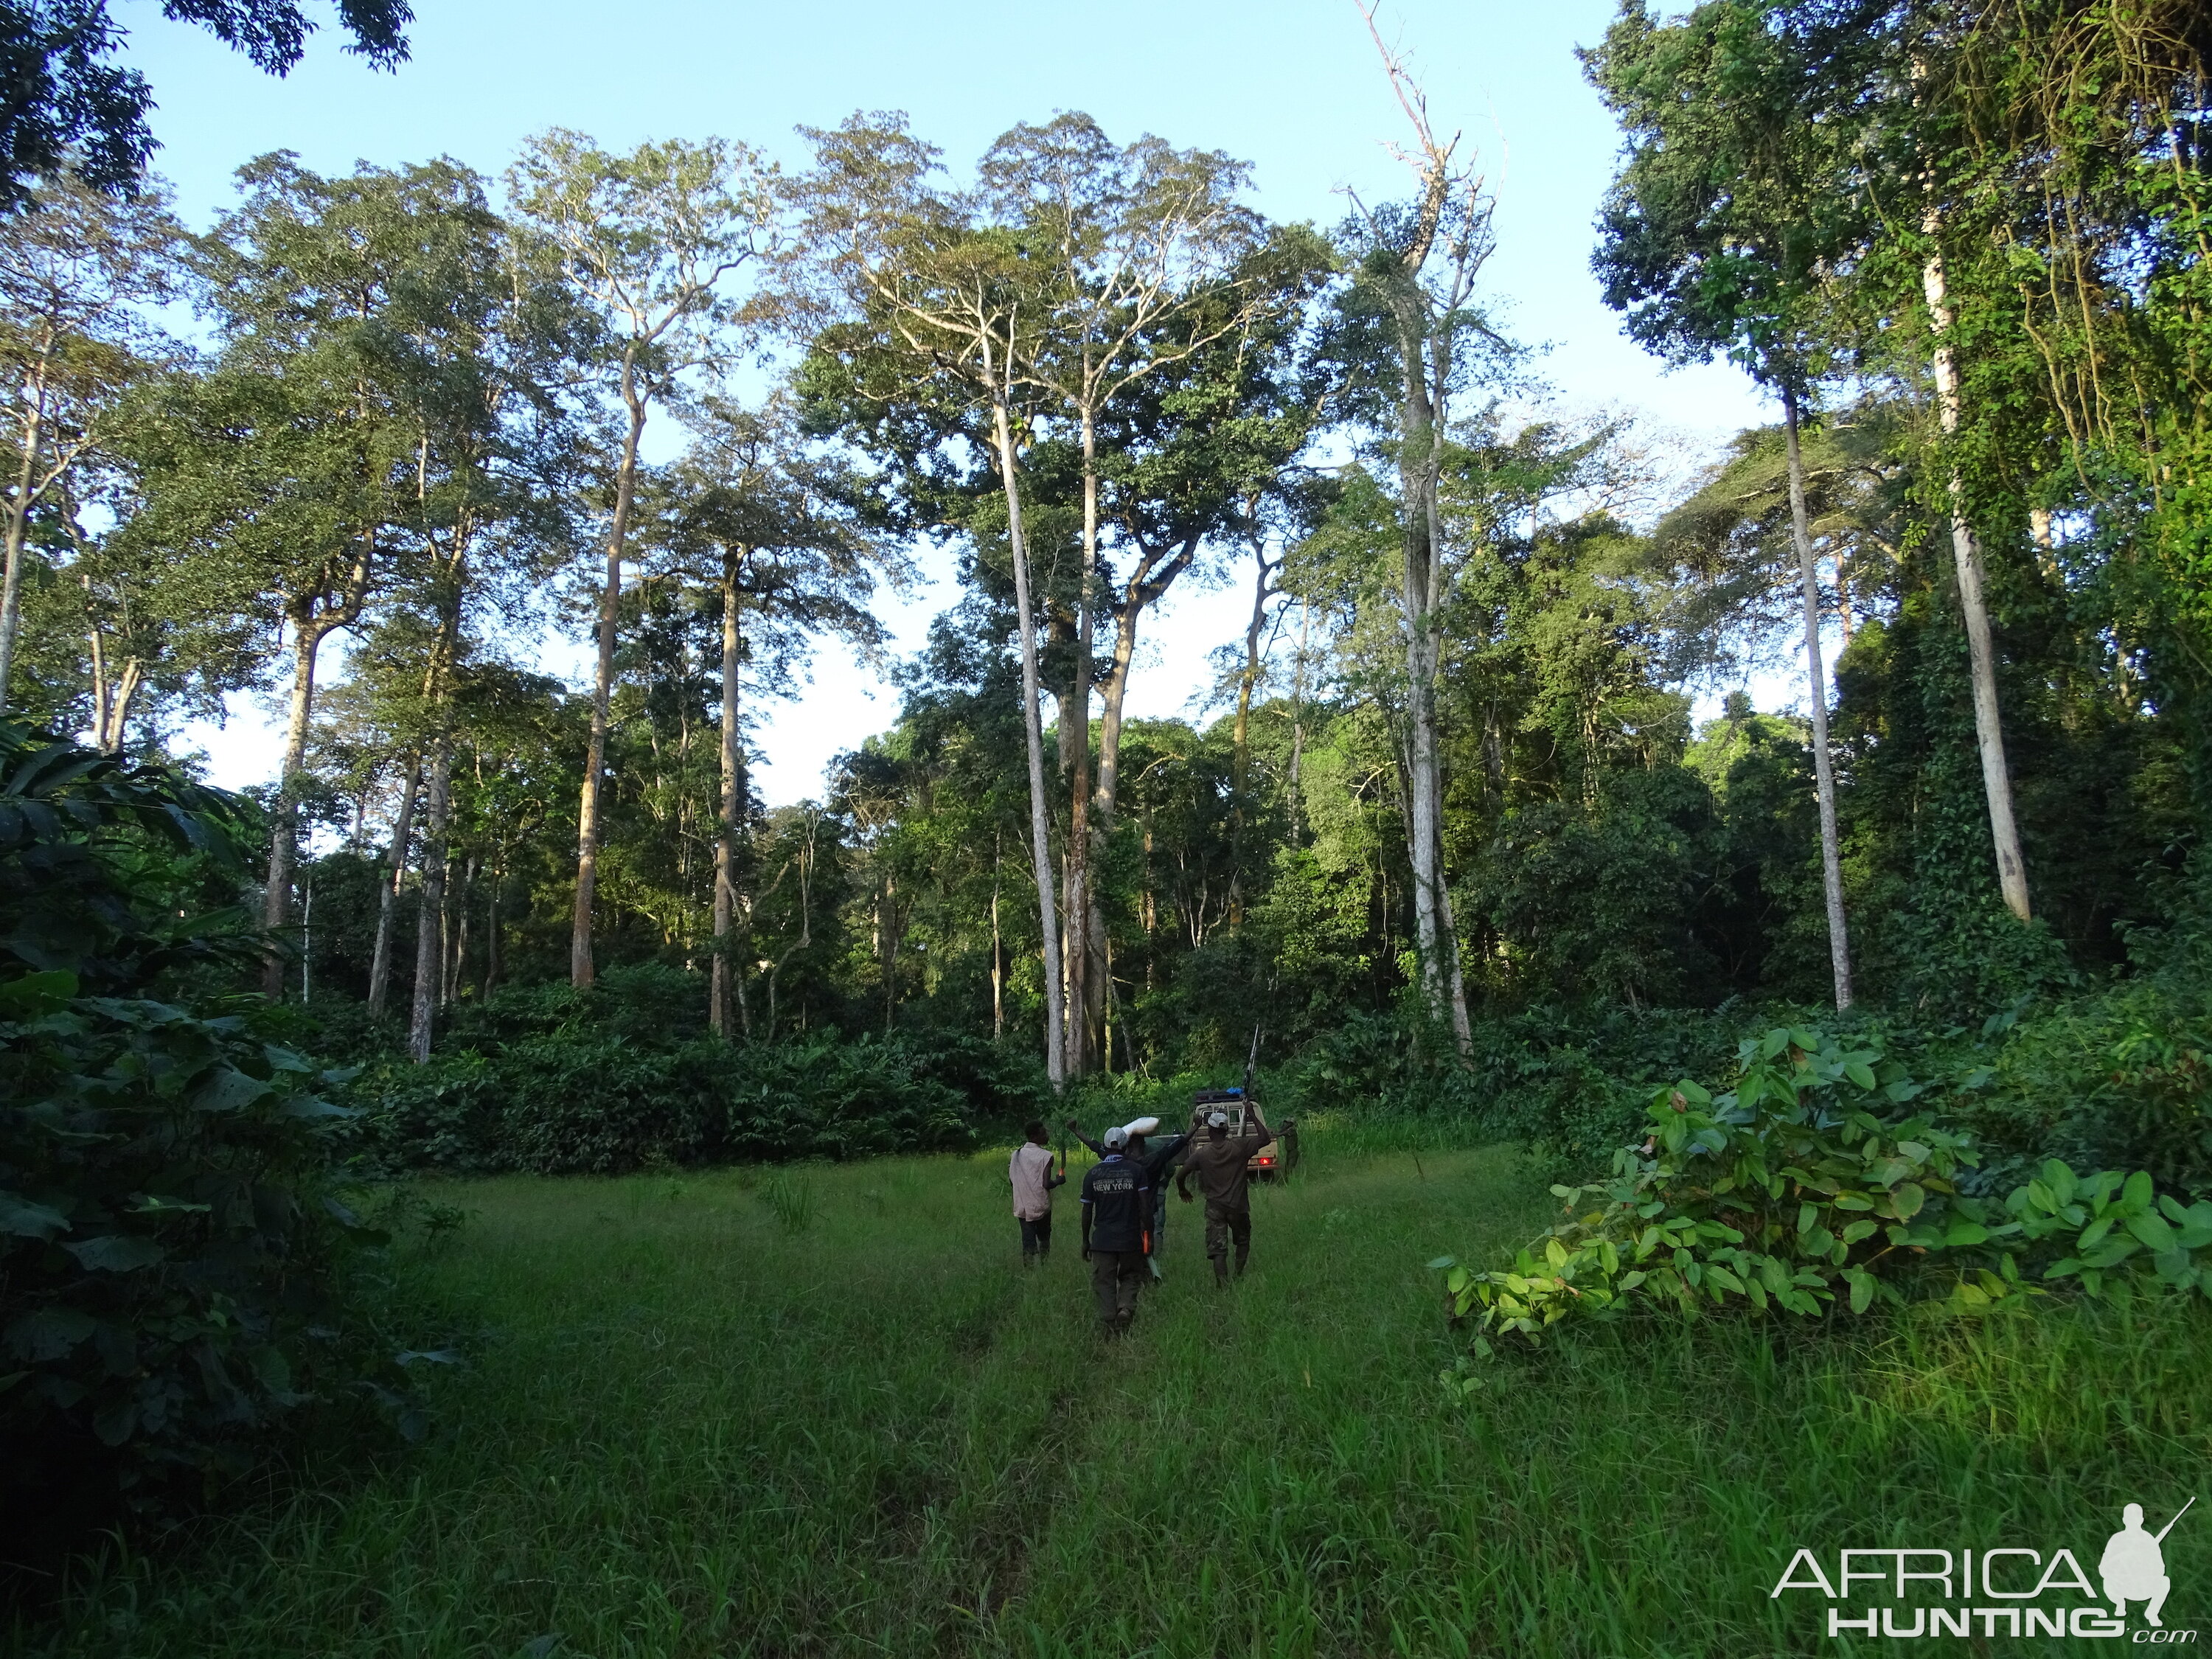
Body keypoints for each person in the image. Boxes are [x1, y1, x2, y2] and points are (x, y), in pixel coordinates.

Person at [1065, 1115, 1189, 1281]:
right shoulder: (1153, 1161)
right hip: (1147, 1215)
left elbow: (1095, 1146)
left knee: (1127, 1255)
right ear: (1143, 1145)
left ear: (1126, 1146)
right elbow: (1176, 1146)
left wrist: (1075, 1130)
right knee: (1146, 1250)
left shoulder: (1120, 1164)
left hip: (1126, 1219)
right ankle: (1148, 1277)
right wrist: (1195, 1127)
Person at [1175, 1100, 1274, 1286]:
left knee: (1218, 1250)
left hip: (1215, 1208)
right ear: (1227, 1130)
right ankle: (1238, 1275)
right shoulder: (1239, 1147)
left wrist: (1182, 1190)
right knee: (1243, 1241)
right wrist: (1250, 1113)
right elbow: (1265, 1139)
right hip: (1238, 1206)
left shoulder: (1201, 1154)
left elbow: (1180, 1175)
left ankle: (1223, 1285)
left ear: (1211, 1132)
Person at [1079, 1125, 1150, 1336]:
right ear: (1126, 1146)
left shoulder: (1093, 1174)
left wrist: (1085, 1241)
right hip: (1130, 1238)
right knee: (1130, 1275)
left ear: (1106, 1146)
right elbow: (1145, 1207)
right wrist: (1147, 1235)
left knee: (1104, 1281)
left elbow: (1086, 1210)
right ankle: (1126, 1307)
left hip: (1102, 1240)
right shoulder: (1137, 1171)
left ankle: (1110, 1322)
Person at [2101, 1503, 2174, 1627]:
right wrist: (2123, 1558)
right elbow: (2104, 1568)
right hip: (2121, 1586)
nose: (2132, 1521)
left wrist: (2145, 1563)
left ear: (2141, 1520)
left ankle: (2152, 1613)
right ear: (2124, 1520)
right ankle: (2119, 1603)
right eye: (2129, 1518)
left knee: (2164, 1581)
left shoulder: (2148, 1540)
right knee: (2107, 1581)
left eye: (2135, 1518)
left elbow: (2160, 1568)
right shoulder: (2117, 1539)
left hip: (2143, 1586)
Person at [1007, 1120, 1065, 1266]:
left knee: (1028, 1241)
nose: (1047, 1135)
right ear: (1034, 1137)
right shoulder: (1046, 1156)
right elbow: (1046, 1184)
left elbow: (1012, 1180)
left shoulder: (1016, 1154)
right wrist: (1058, 1181)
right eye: (1043, 1133)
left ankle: (1029, 1270)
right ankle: (1044, 1265)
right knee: (1044, 1238)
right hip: (1041, 1206)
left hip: (1022, 1207)